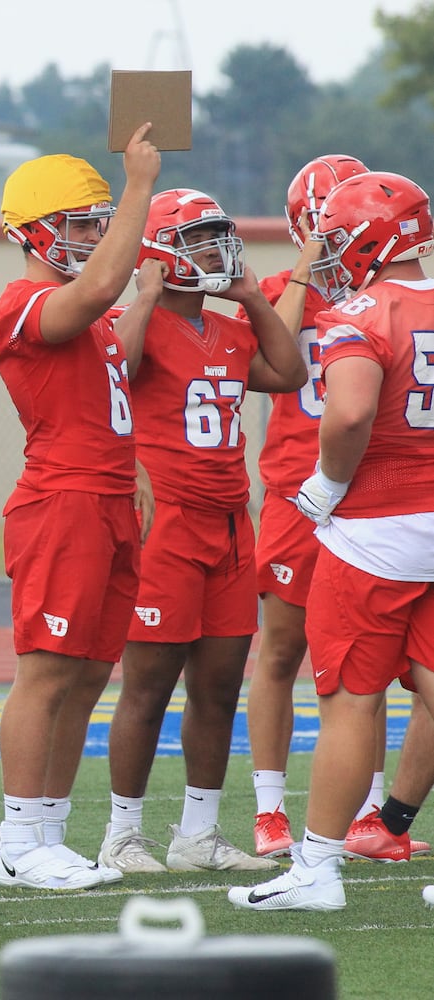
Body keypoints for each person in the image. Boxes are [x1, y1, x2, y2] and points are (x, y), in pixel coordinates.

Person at [231, 170, 434, 911]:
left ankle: (315, 868)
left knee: (350, 696)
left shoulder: (360, 311)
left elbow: (347, 416)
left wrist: (326, 483)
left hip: (375, 532)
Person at [94, 189, 303, 875]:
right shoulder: (135, 320)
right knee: (147, 688)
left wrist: (252, 299)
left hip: (227, 523)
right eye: (196, 239)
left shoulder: (232, 326)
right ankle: (122, 833)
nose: (213, 251)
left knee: (216, 687)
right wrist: (144, 296)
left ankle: (198, 832)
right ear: (156, 251)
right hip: (166, 526)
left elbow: (288, 372)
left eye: (217, 237)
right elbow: (111, 376)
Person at [0, 129, 159, 890]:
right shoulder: (22, 302)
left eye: (98, 222)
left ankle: (49, 833)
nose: (93, 235)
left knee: (89, 674)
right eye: (79, 222)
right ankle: (18, 839)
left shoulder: (81, 315)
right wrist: (135, 189)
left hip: (106, 498)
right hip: (62, 502)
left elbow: (106, 359)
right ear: (33, 231)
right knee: (47, 674)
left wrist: (136, 472)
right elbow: (92, 291)